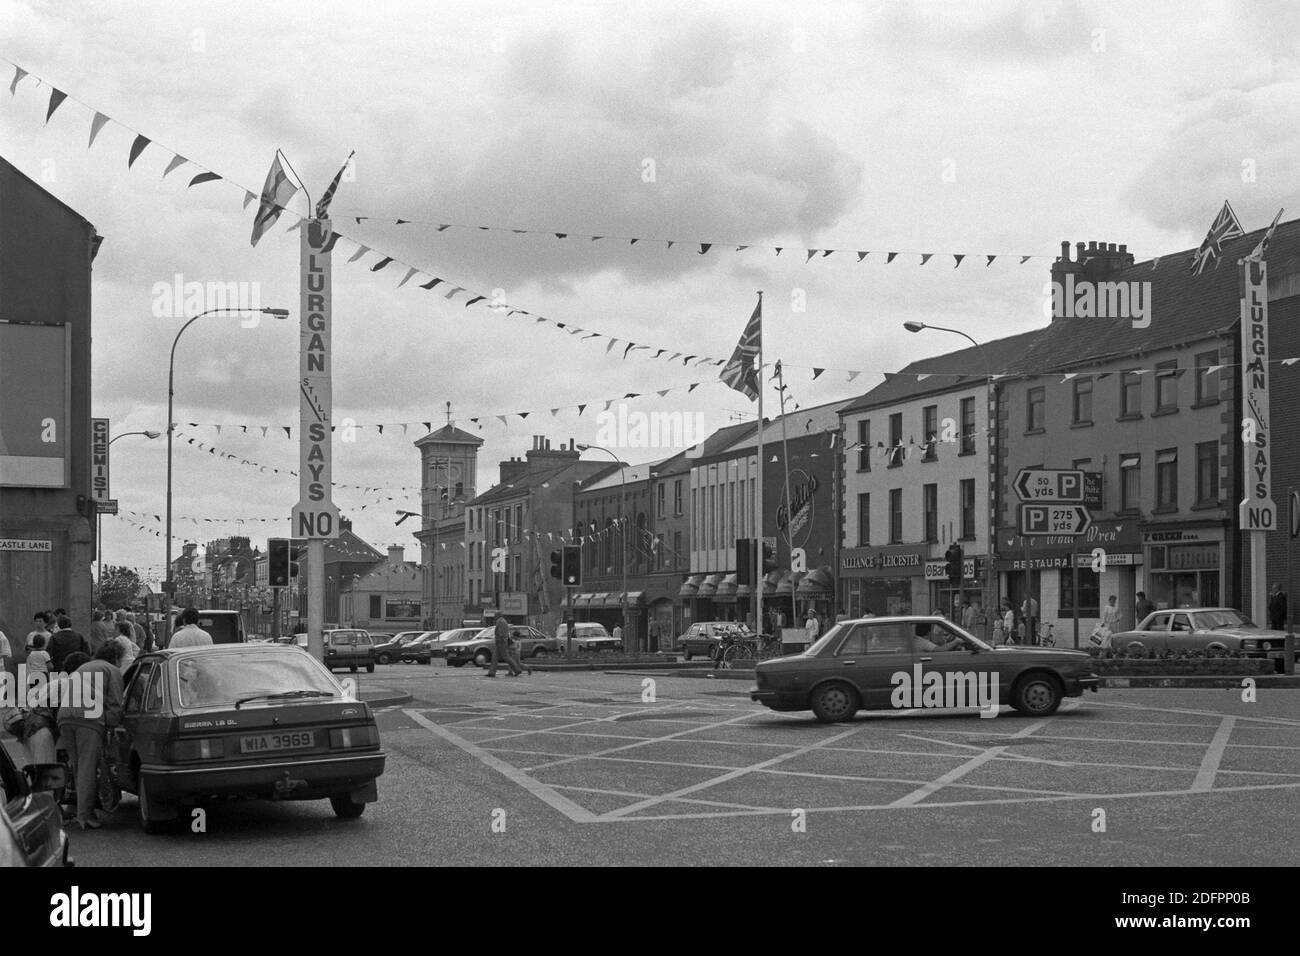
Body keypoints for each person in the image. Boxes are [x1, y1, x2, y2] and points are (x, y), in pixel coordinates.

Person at [57, 645, 123, 830]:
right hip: (88, 718)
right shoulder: (112, 670)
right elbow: (116, 704)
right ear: (116, 657)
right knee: (88, 767)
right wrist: (111, 724)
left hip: (64, 717)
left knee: (78, 766)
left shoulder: (83, 668)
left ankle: (83, 811)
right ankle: (84, 816)